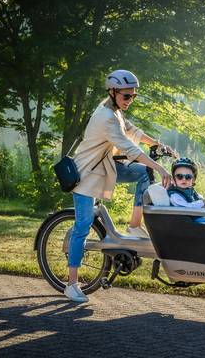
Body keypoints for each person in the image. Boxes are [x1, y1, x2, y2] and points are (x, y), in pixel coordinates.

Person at [65, 69, 178, 302]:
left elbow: (132, 131)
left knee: (144, 172)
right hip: (87, 177)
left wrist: (158, 144)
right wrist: (160, 168)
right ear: (113, 92)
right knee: (82, 227)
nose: (130, 100)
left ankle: (134, 226)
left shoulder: (114, 111)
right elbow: (130, 149)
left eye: (133, 96)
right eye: (126, 96)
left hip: (105, 168)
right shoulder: (106, 117)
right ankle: (72, 284)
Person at [167, 157, 205, 225]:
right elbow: (186, 208)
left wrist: (201, 199)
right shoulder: (175, 195)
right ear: (173, 179)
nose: (184, 179)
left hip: (198, 218)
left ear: (193, 180)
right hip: (190, 224)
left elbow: (197, 196)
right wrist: (201, 203)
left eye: (188, 177)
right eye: (179, 176)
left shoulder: (189, 190)